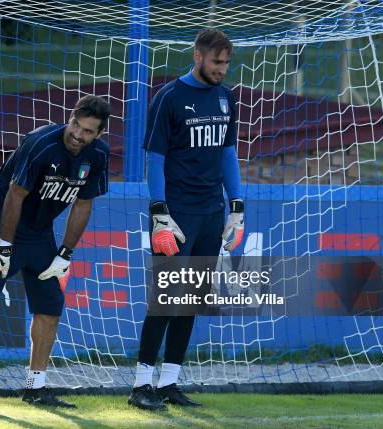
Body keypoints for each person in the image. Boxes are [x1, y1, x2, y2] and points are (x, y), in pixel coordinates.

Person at [0, 95, 112, 409]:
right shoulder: (40, 143)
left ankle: (36, 387)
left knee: (50, 304)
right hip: (0, 221)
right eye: (75, 125)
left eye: (88, 131)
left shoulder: (98, 157)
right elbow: (14, 195)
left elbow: (83, 205)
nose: (78, 135)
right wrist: (3, 247)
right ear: (69, 118)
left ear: (99, 134)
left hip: (39, 232)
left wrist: (64, 254)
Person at [128, 28, 244, 411]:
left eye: (227, 63)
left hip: (212, 214)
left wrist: (237, 206)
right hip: (175, 216)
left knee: (190, 300)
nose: (223, 69)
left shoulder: (227, 98)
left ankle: (169, 382)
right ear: (198, 56)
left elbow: (228, 154)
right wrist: (158, 209)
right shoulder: (169, 98)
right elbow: (155, 160)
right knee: (165, 299)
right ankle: (140, 385)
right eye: (217, 62)